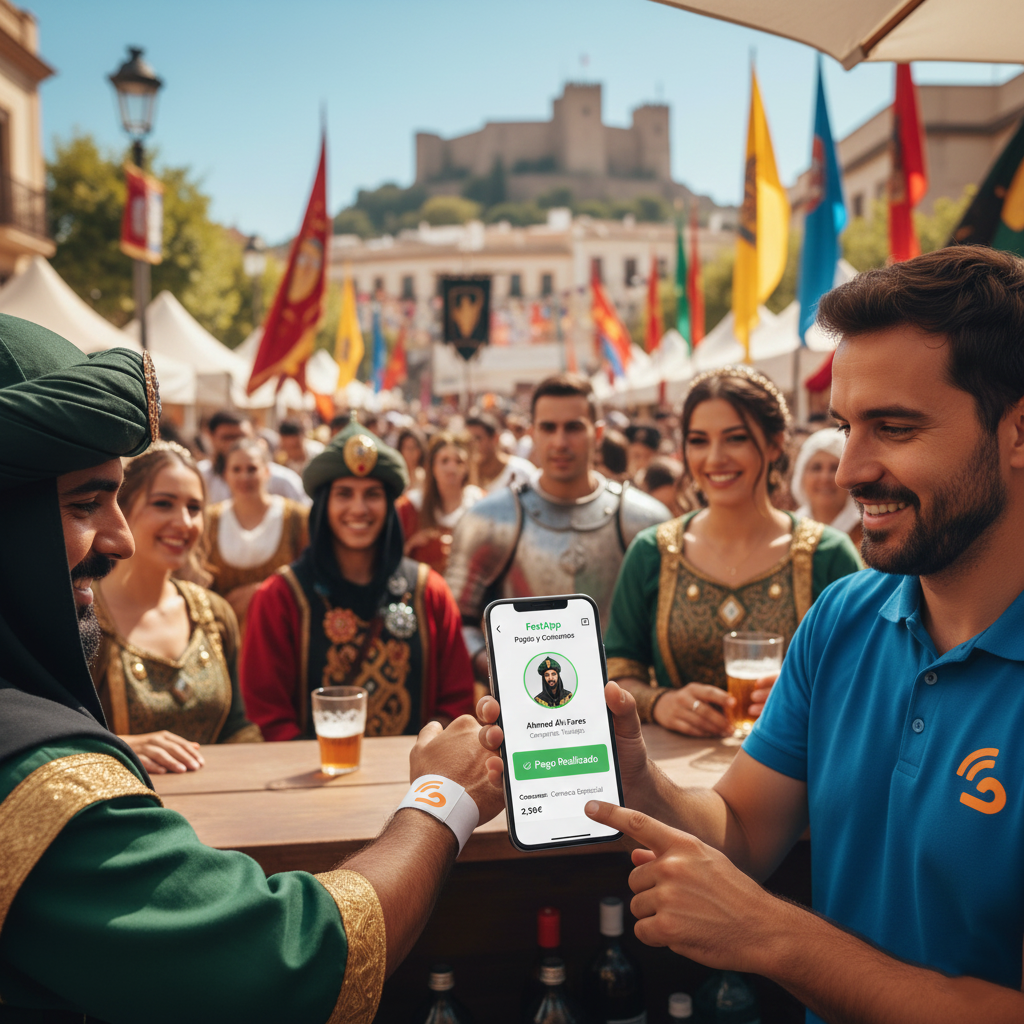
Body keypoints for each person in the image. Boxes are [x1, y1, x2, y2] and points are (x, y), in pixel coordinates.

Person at [485, 246, 1024, 1024]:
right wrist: (638, 779)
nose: (846, 472)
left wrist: (774, 936)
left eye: (895, 428)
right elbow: (740, 830)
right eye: (844, 428)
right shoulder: (843, 619)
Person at [0, 315, 504, 1023]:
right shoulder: (42, 781)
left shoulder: (425, 589)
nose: (118, 537)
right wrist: (439, 799)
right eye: (86, 501)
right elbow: (285, 958)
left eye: (373, 496)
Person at [604, 366, 860, 735]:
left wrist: (808, 695)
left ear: (775, 443)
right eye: (698, 440)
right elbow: (618, 667)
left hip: (797, 778)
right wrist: (659, 702)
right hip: (674, 776)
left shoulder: (827, 554)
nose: (715, 458)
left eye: (736, 438)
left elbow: (865, 677)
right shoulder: (652, 552)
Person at [241, 423, 476, 739]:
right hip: (313, 781)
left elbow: (456, 702)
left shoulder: (428, 591)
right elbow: (267, 714)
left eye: (373, 495)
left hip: (414, 784)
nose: (359, 508)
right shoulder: (280, 598)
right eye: (344, 494)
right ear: (324, 504)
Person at [446, 374, 670, 683]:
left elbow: (665, 624)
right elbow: (456, 619)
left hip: (624, 706)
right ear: (533, 432)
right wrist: (499, 670)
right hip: (522, 711)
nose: (560, 442)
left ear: (599, 432)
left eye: (574, 427)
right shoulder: (489, 519)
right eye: (548, 428)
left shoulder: (643, 519)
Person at [91, 442, 262, 774]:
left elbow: (236, 726)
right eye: (163, 504)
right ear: (122, 509)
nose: (183, 522)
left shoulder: (214, 613)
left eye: (194, 508)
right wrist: (119, 747)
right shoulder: (82, 617)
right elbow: (50, 739)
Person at [205, 439, 309, 631]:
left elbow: (310, 576)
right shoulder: (209, 520)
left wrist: (262, 592)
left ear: (267, 472)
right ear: (226, 475)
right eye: (236, 469)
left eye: (252, 469)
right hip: (225, 634)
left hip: (280, 630)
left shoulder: (296, 517)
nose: (244, 476)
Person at [402, 431, 483, 575]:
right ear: (432, 466)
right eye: (444, 461)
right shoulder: (409, 507)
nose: (452, 468)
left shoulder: (481, 504)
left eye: (459, 461)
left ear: (467, 467)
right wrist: (410, 545)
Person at [197, 408, 307, 505]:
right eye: (227, 438)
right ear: (211, 437)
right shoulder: (200, 477)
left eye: (242, 437)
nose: (235, 443)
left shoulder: (283, 481)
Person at [791, 427, 862, 548]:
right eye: (816, 468)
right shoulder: (788, 532)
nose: (825, 478)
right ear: (801, 475)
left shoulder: (870, 534)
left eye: (835, 468)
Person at [466, 411, 535, 493]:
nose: (473, 446)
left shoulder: (522, 472)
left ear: (495, 438)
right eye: (468, 440)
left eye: (477, 439)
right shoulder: (460, 478)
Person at [397, 425, 428, 491]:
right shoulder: (395, 476)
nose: (411, 453)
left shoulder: (425, 477)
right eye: (408, 448)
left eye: (414, 448)